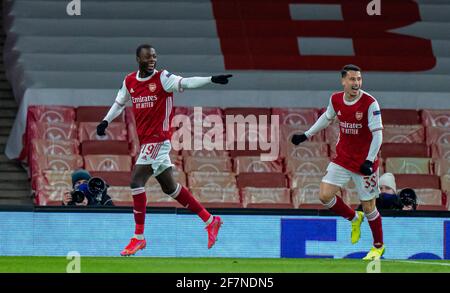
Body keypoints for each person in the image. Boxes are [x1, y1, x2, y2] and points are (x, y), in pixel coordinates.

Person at [97, 44, 231, 256]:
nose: (152, 60)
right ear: (138, 59)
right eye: (148, 57)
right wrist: (105, 120)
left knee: (136, 181)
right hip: (147, 142)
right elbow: (119, 103)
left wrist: (211, 79)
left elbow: (186, 82)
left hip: (159, 140)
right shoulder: (130, 81)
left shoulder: (163, 78)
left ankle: (138, 238)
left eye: (154, 57)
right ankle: (210, 220)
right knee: (169, 188)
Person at [291, 64, 385, 260]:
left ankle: (378, 246)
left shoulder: (370, 103)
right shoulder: (335, 99)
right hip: (343, 158)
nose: (356, 83)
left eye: (359, 79)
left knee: (369, 207)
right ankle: (353, 217)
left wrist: (369, 160)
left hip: (364, 164)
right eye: (352, 79)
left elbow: (378, 136)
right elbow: (327, 118)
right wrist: (306, 135)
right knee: (325, 195)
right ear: (343, 81)